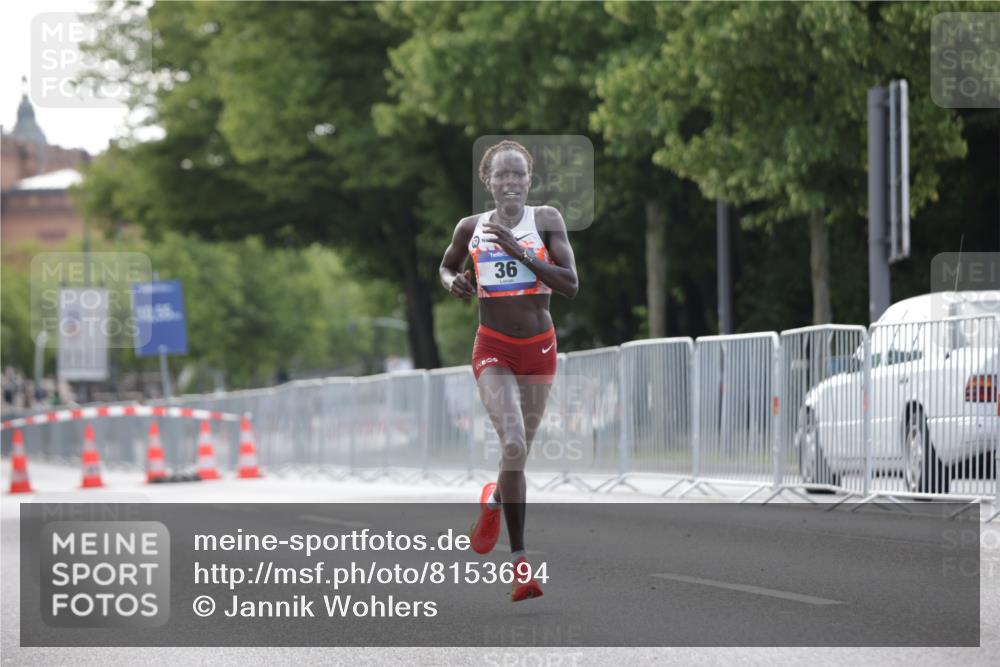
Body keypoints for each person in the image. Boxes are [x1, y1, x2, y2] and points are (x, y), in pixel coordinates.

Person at [438, 139, 579, 602]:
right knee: (513, 442)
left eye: (518, 174)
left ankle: (495, 500)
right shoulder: (470, 227)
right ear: (488, 182)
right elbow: (446, 266)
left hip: (540, 349)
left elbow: (571, 284)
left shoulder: (547, 220)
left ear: (529, 180)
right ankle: (521, 566)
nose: (511, 182)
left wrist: (521, 253)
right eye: (502, 175)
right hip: (492, 347)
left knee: (518, 456)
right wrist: (454, 282)